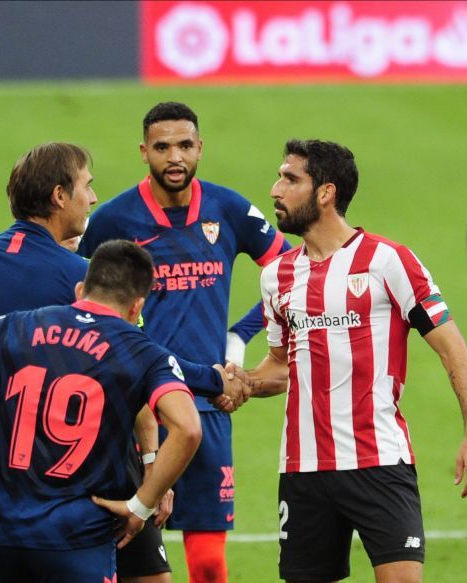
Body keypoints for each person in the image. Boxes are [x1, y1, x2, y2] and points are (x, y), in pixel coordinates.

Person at [0, 143, 231, 583]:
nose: (92, 198)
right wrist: (214, 379)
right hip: (69, 482)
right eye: (86, 186)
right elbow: (138, 359)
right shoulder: (79, 279)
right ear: (60, 196)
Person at [243, 139, 467, 583]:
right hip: (303, 470)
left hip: (378, 461)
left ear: (326, 193)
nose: (275, 189)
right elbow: (281, 366)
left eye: (290, 178)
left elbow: (453, 348)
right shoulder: (276, 276)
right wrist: (242, 383)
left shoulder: (388, 261)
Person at [79, 101, 291, 582]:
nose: (174, 157)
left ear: (200, 148)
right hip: (133, 408)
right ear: (143, 152)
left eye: (184, 145)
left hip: (208, 405)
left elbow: (293, 272)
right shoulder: (113, 220)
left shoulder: (229, 209)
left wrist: (242, 332)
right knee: (124, 552)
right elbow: (74, 295)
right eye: (162, 147)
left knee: (210, 563)